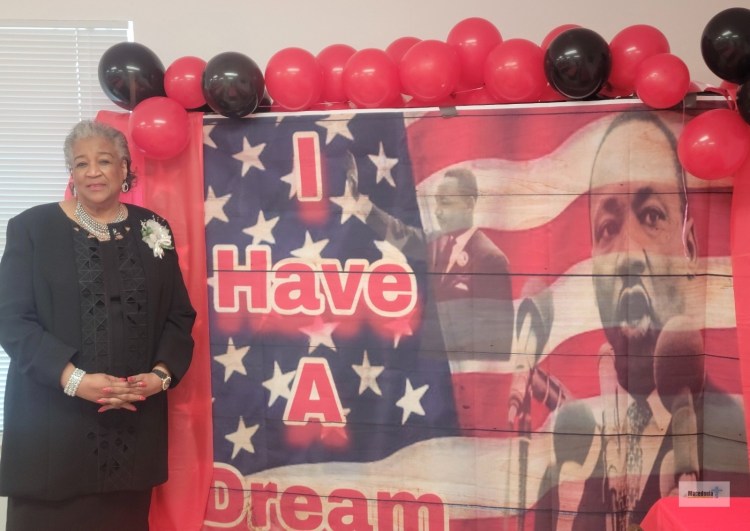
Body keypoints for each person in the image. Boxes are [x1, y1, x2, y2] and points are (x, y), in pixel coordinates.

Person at [540, 111, 749, 530]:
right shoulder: (573, 440)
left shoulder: (732, 431)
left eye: (651, 216)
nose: (628, 254)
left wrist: (685, 501)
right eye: (607, 228)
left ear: (690, 248)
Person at [0, 120, 196, 530]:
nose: (92, 171)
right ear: (70, 173)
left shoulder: (153, 228)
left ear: (124, 168)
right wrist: (75, 380)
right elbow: (12, 319)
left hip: (132, 427)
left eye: (104, 161)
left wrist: (159, 377)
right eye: (81, 163)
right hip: (52, 428)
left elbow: (179, 315)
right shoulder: (31, 228)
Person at [357, 160, 514, 371]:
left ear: (469, 204)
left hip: (464, 376)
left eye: (446, 203)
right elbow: (400, 234)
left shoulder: (490, 259)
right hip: (434, 371)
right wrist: (364, 206)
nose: (438, 212)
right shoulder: (436, 242)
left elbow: (497, 341)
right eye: (437, 203)